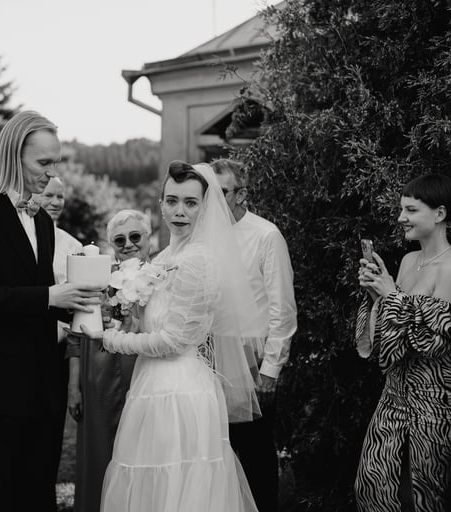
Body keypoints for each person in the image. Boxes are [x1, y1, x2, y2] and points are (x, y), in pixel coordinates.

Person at [82, 161, 264, 512]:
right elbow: (152, 325)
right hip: (151, 384)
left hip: (180, 392)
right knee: (151, 487)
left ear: (204, 207)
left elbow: (173, 341)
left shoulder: (199, 261)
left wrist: (110, 339)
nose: (180, 211)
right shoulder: (165, 256)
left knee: (179, 486)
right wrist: (123, 321)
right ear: (161, 205)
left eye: (191, 202)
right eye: (172, 201)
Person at [0, 110, 103, 511]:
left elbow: (43, 299)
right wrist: (51, 296)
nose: (52, 173)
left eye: (56, 162)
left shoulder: (44, 223)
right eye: (43, 162)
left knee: (38, 497)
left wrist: (86, 306)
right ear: (14, 155)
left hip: (44, 386)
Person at [355, 173, 451, 512]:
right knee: (372, 487)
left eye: (410, 210)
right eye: (401, 210)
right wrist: (376, 294)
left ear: (439, 214)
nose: (400, 218)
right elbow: (390, 335)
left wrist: (391, 295)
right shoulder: (409, 261)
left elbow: (435, 340)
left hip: (435, 407)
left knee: (422, 497)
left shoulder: (450, 268)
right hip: (392, 401)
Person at [213, 158, 297, 512]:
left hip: (252, 361)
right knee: (216, 454)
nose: (213, 200)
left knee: (255, 455)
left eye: (221, 192)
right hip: (208, 360)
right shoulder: (202, 236)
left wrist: (270, 369)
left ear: (241, 194)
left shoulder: (266, 236)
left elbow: (283, 308)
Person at [66, 209, 151, 512]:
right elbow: (75, 335)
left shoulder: (161, 276)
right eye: (119, 239)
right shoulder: (98, 277)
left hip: (144, 373)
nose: (128, 244)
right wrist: (74, 387)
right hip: (98, 375)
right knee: (100, 450)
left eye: (135, 236)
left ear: (148, 238)